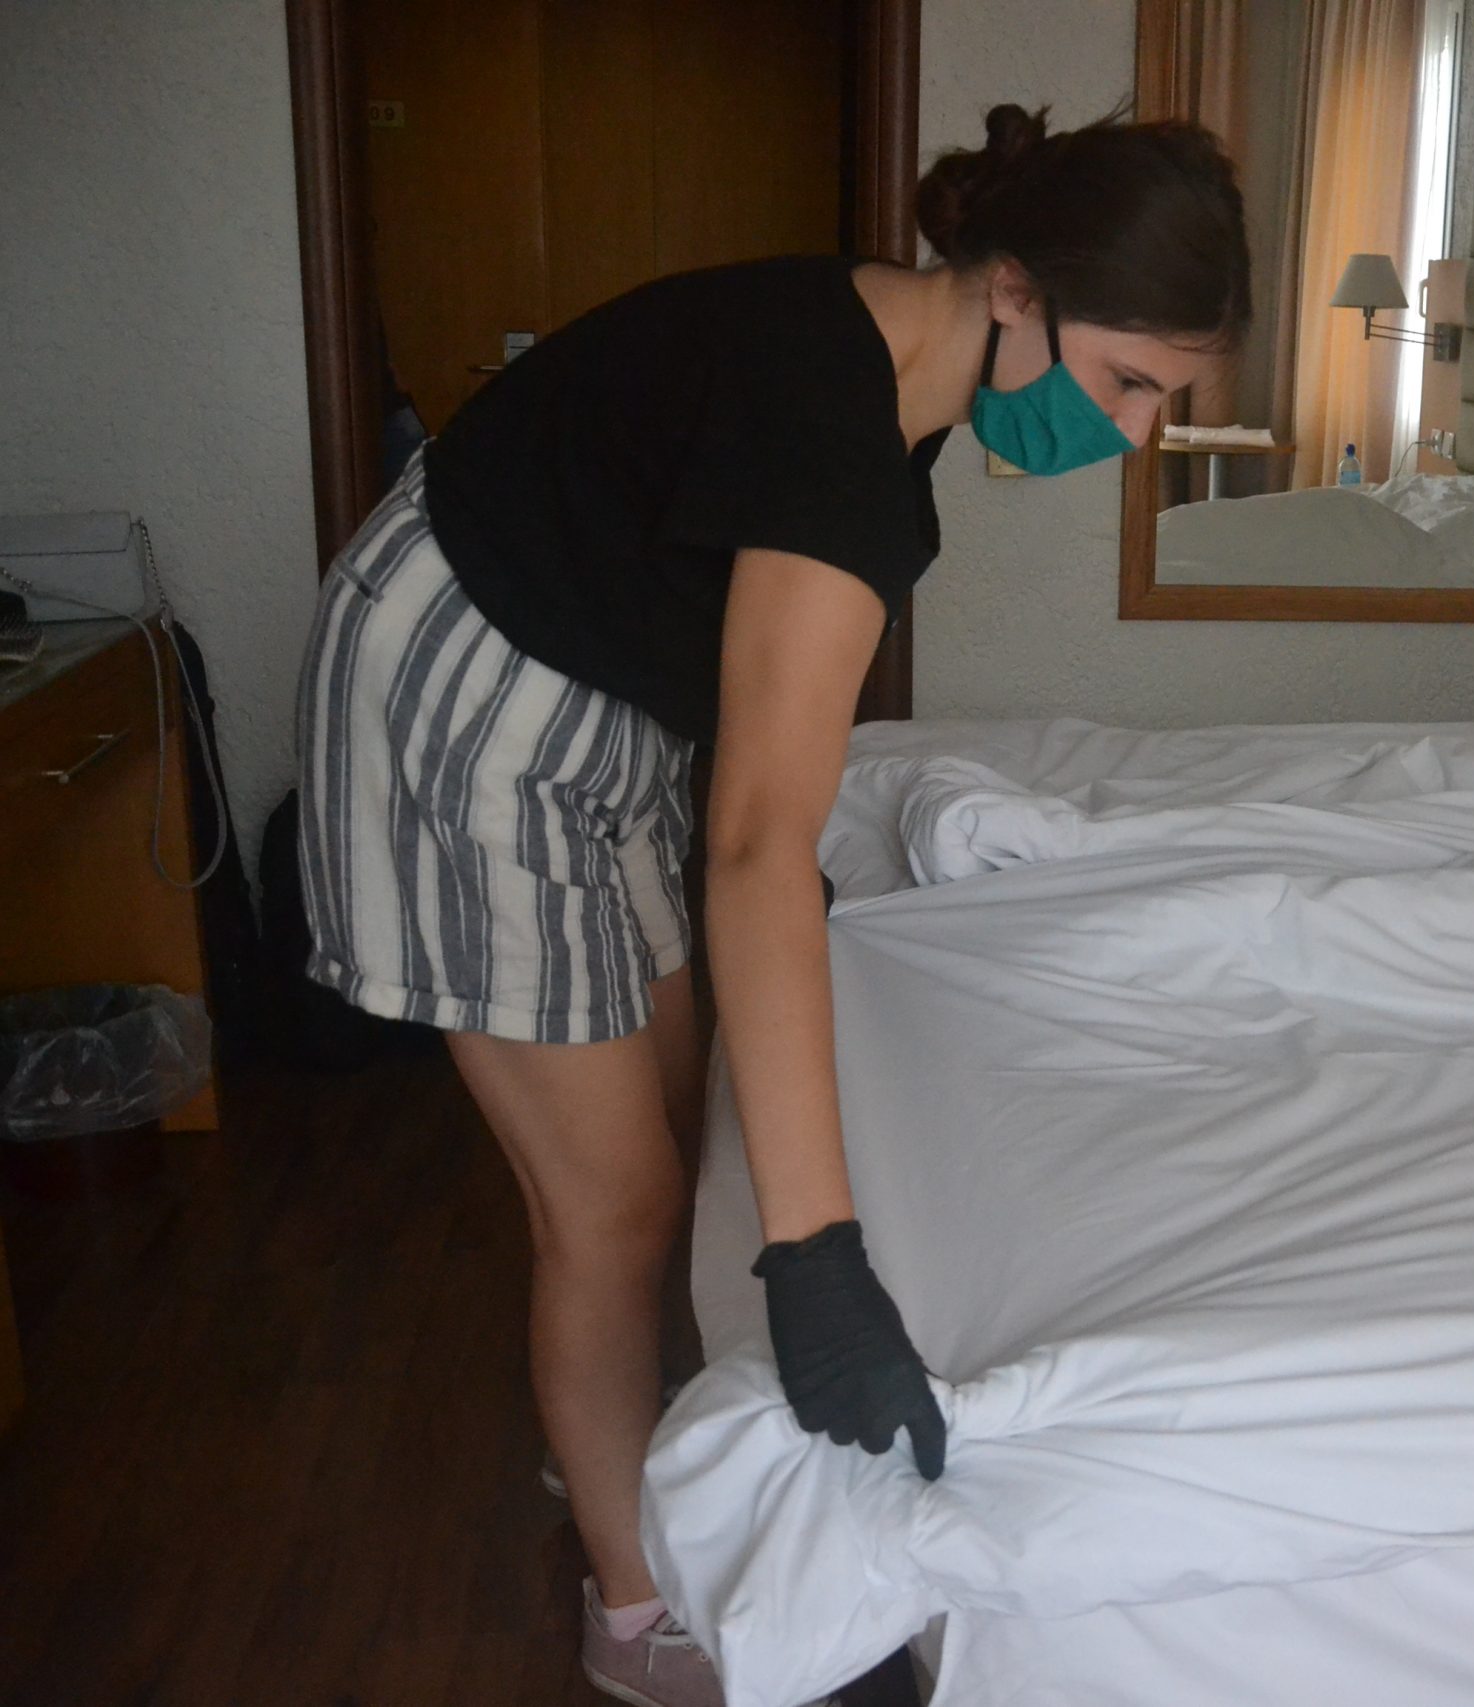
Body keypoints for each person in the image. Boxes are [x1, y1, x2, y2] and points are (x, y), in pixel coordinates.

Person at [294, 104, 1249, 1707]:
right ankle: (634, 1619)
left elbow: (758, 777)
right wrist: (818, 1260)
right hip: (459, 697)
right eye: (1128, 383)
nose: (1137, 437)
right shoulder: (835, 443)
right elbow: (753, 846)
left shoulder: (889, 361)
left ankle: (613, 1430)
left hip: (586, 690)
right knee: (609, 1207)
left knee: (674, 1126)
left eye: (1167, 399)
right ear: (1017, 288)